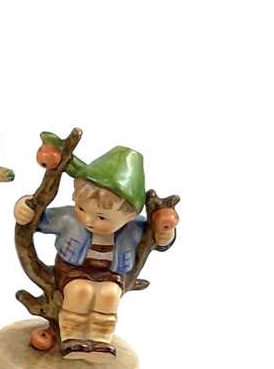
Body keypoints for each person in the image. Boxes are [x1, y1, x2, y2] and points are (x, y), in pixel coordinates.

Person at [14, 138, 178, 357]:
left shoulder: (133, 229)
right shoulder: (69, 219)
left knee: (110, 295)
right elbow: (39, 219)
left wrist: (165, 231)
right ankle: (71, 337)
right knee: (79, 291)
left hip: (111, 274)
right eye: (82, 209)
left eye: (101, 217)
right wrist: (24, 207)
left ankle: (99, 339)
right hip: (72, 271)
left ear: (129, 216)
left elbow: (158, 240)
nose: (89, 220)